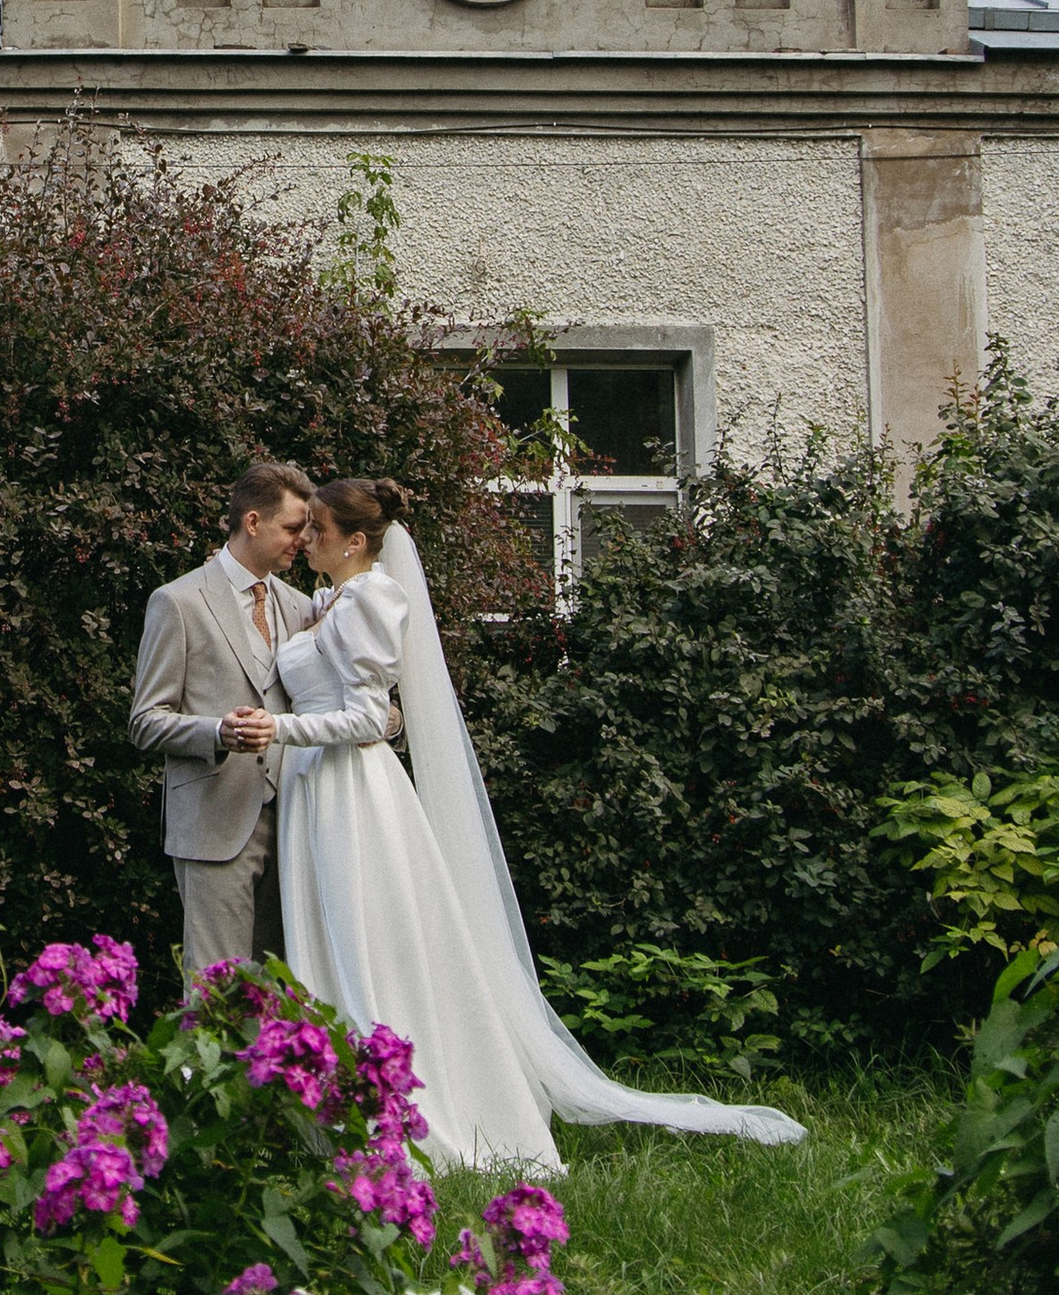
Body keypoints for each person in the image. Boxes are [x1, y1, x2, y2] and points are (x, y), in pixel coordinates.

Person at [227, 476, 804, 1165]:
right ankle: (337, 1105)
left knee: (364, 936)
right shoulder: (328, 600)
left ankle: (400, 1109)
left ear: (356, 540)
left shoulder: (373, 599)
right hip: (314, 788)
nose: (307, 538)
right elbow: (365, 705)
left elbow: (363, 716)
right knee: (329, 931)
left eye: (318, 528)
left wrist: (280, 728)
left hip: (350, 790)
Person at [128, 459, 318, 983]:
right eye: (291, 528)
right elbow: (146, 721)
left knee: (285, 990)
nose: (301, 541)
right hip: (214, 825)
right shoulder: (178, 602)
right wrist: (217, 731)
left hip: (295, 825)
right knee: (216, 990)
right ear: (252, 522)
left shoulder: (302, 608)